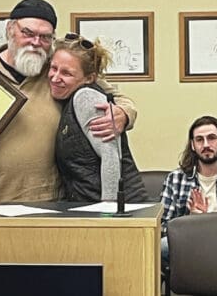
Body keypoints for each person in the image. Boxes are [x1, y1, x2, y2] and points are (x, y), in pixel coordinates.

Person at [0, 0, 137, 250]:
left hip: (48, 209)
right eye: (28, 33)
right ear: (9, 30)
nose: (36, 42)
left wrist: (124, 115)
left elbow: (120, 98)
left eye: (45, 37)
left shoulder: (57, 71)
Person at [50, 33, 147, 202]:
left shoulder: (86, 98)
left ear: (89, 78)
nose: (55, 77)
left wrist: (108, 213)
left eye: (67, 73)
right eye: (53, 68)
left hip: (117, 211)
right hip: (90, 204)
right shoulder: (70, 98)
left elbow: (111, 157)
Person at [160, 116, 217, 263]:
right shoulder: (175, 179)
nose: (205, 144)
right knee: (161, 246)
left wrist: (206, 223)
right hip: (187, 245)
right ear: (192, 145)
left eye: (211, 138)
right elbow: (162, 226)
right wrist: (190, 221)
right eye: (199, 140)